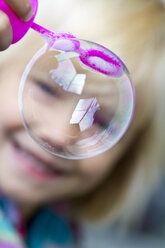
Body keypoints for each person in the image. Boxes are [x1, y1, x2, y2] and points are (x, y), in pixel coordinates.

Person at [0, 0, 165, 247]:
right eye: (47, 88)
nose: (58, 134)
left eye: (98, 120)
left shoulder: (61, 232)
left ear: (127, 158)